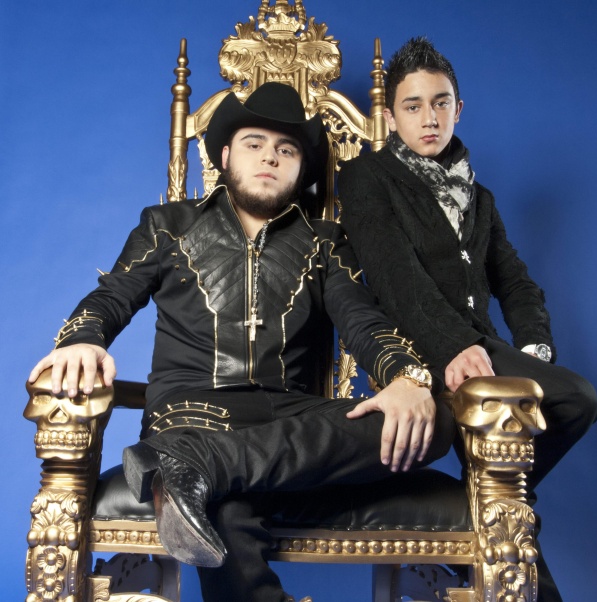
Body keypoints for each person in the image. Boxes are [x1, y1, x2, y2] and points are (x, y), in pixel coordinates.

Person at [28, 82, 455, 602]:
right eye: (255, 144)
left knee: (434, 419)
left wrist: (408, 377)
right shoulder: (167, 226)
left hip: (290, 419)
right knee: (223, 509)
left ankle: (196, 464)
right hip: (192, 412)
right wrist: (82, 339)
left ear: (301, 169)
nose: (270, 158)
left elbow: (362, 321)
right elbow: (112, 295)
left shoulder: (324, 242)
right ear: (226, 155)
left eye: (287, 150)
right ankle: (197, 462)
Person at [337, 37, 597, 601]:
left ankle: (483, 495)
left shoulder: (480, 197)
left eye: (440, 103)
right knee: (567, 406)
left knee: (569, 404)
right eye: (413, 106)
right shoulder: (366, 177)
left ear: (459, 108)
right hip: (421, 350)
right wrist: (453, 345)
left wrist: (533, 350)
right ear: (391, 117)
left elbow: (516, 282)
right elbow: (395, 277)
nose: (429, 118)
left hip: (485, 348)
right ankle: (495, 500)